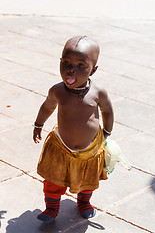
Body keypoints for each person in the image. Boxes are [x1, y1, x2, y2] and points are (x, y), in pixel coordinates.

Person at [33, 36, 114, 223]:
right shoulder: (58, 91)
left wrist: (107, 132)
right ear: (60, 62)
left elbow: (107, 111)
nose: (71, 69)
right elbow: (47, 107)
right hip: (61, 145)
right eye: (66, 62)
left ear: (93, 70)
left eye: (81, 66)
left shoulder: (98, 92)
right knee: (53, 179)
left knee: (88, 180)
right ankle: (51, 207)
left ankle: (84, 202)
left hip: (90, 149)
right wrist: (38, 125)